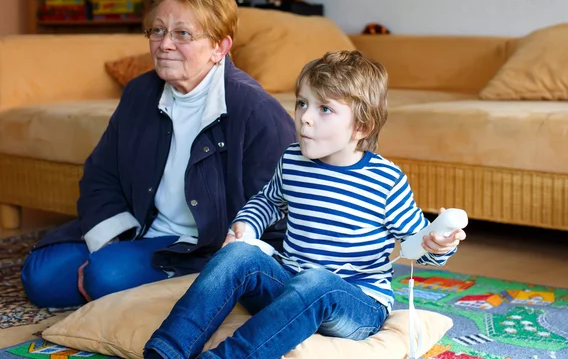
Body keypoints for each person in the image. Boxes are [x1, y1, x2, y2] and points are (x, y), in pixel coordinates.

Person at [143, 50, 468, 359]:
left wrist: (438, 245)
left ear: (361, 127)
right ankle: (167, 349)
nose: (304, 118)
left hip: (357, 304)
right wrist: (246, 224)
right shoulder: (292, 160)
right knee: (237, 254)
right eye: (302, 103)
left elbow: (416, 245)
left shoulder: (385, 180)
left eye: (324, 109)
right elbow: (268, 201)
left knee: (318, 281)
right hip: (290, 285)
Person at [20, 0, 296, 309]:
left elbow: (278, 209)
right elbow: (101, 174)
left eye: (182, 33)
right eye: (158, 30)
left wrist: (235, 257)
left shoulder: (256, 111)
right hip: (140, 229)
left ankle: (181, 281)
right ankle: (132, 277)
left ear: (220, 47)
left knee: (103, 276)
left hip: (202, 246)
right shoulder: (140, 92)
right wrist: (112, 242)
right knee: (40, 276)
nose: (164, 44)